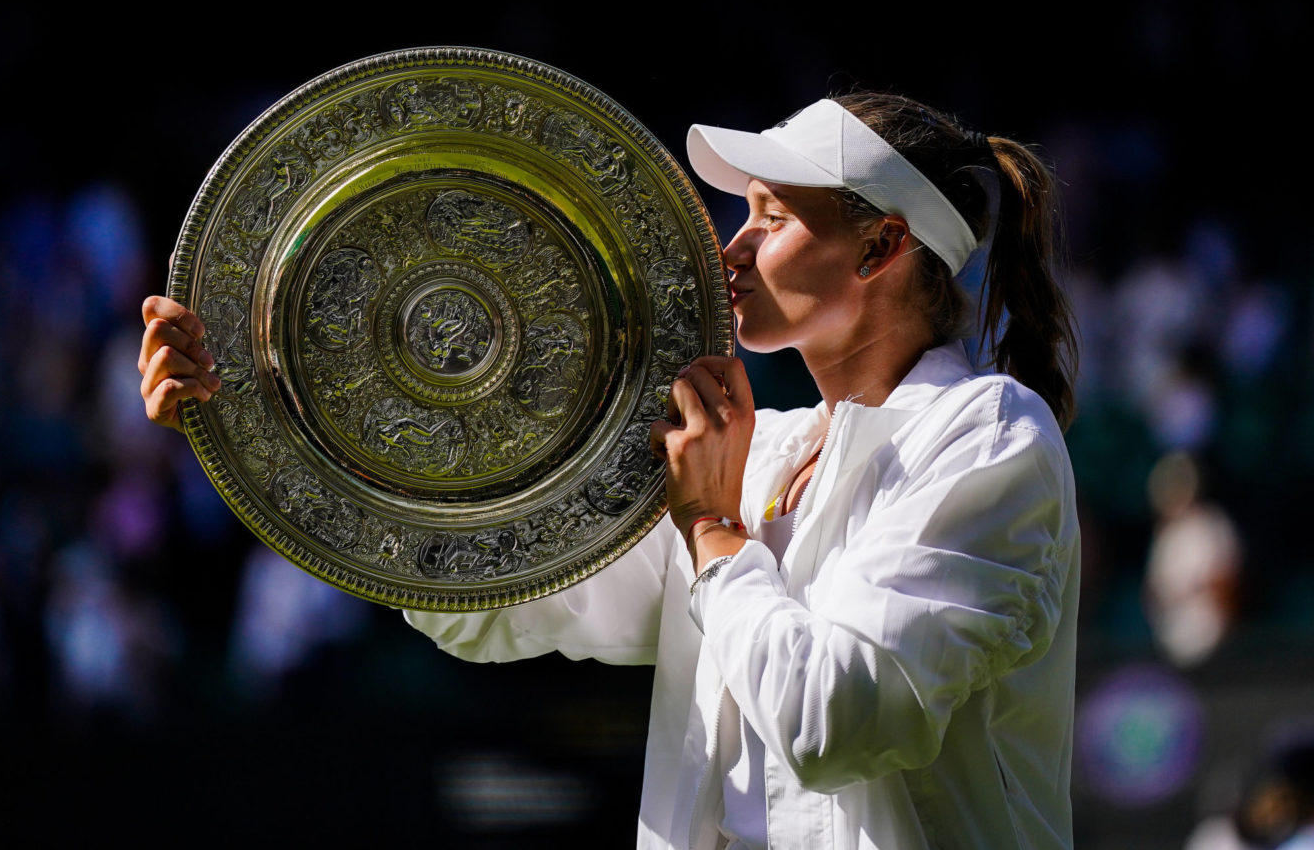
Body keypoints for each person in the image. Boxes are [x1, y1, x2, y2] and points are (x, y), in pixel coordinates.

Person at [139, 91, 1081, 849]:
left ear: (881, 246)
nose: (732, 248)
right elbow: (512, 605)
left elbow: (841, 723)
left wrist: (713, 531)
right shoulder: (761, 453)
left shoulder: (988, 436)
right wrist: (261, 415)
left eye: (774, 218)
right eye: (741, 215)